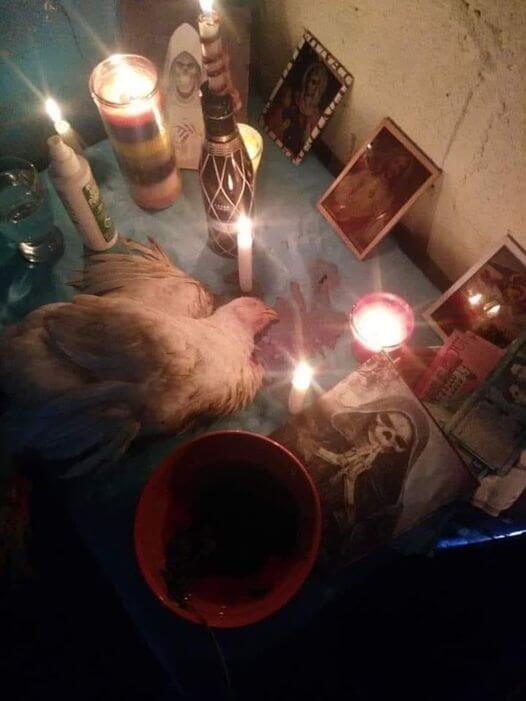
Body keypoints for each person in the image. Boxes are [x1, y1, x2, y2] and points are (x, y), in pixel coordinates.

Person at [314, 396, 430, 559]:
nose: (386, 437)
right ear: (375, 412)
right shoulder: (327, 432)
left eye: (399, 441)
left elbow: (355, 541)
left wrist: (350, 488)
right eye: (386, 421)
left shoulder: (382, 493)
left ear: (404, 454)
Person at [163, 23, 204, 170]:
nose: (185, 71)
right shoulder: (163, 101)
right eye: (179, 65)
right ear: (172, 67)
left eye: (190, 66)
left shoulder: (205, 102)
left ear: (198, 68)